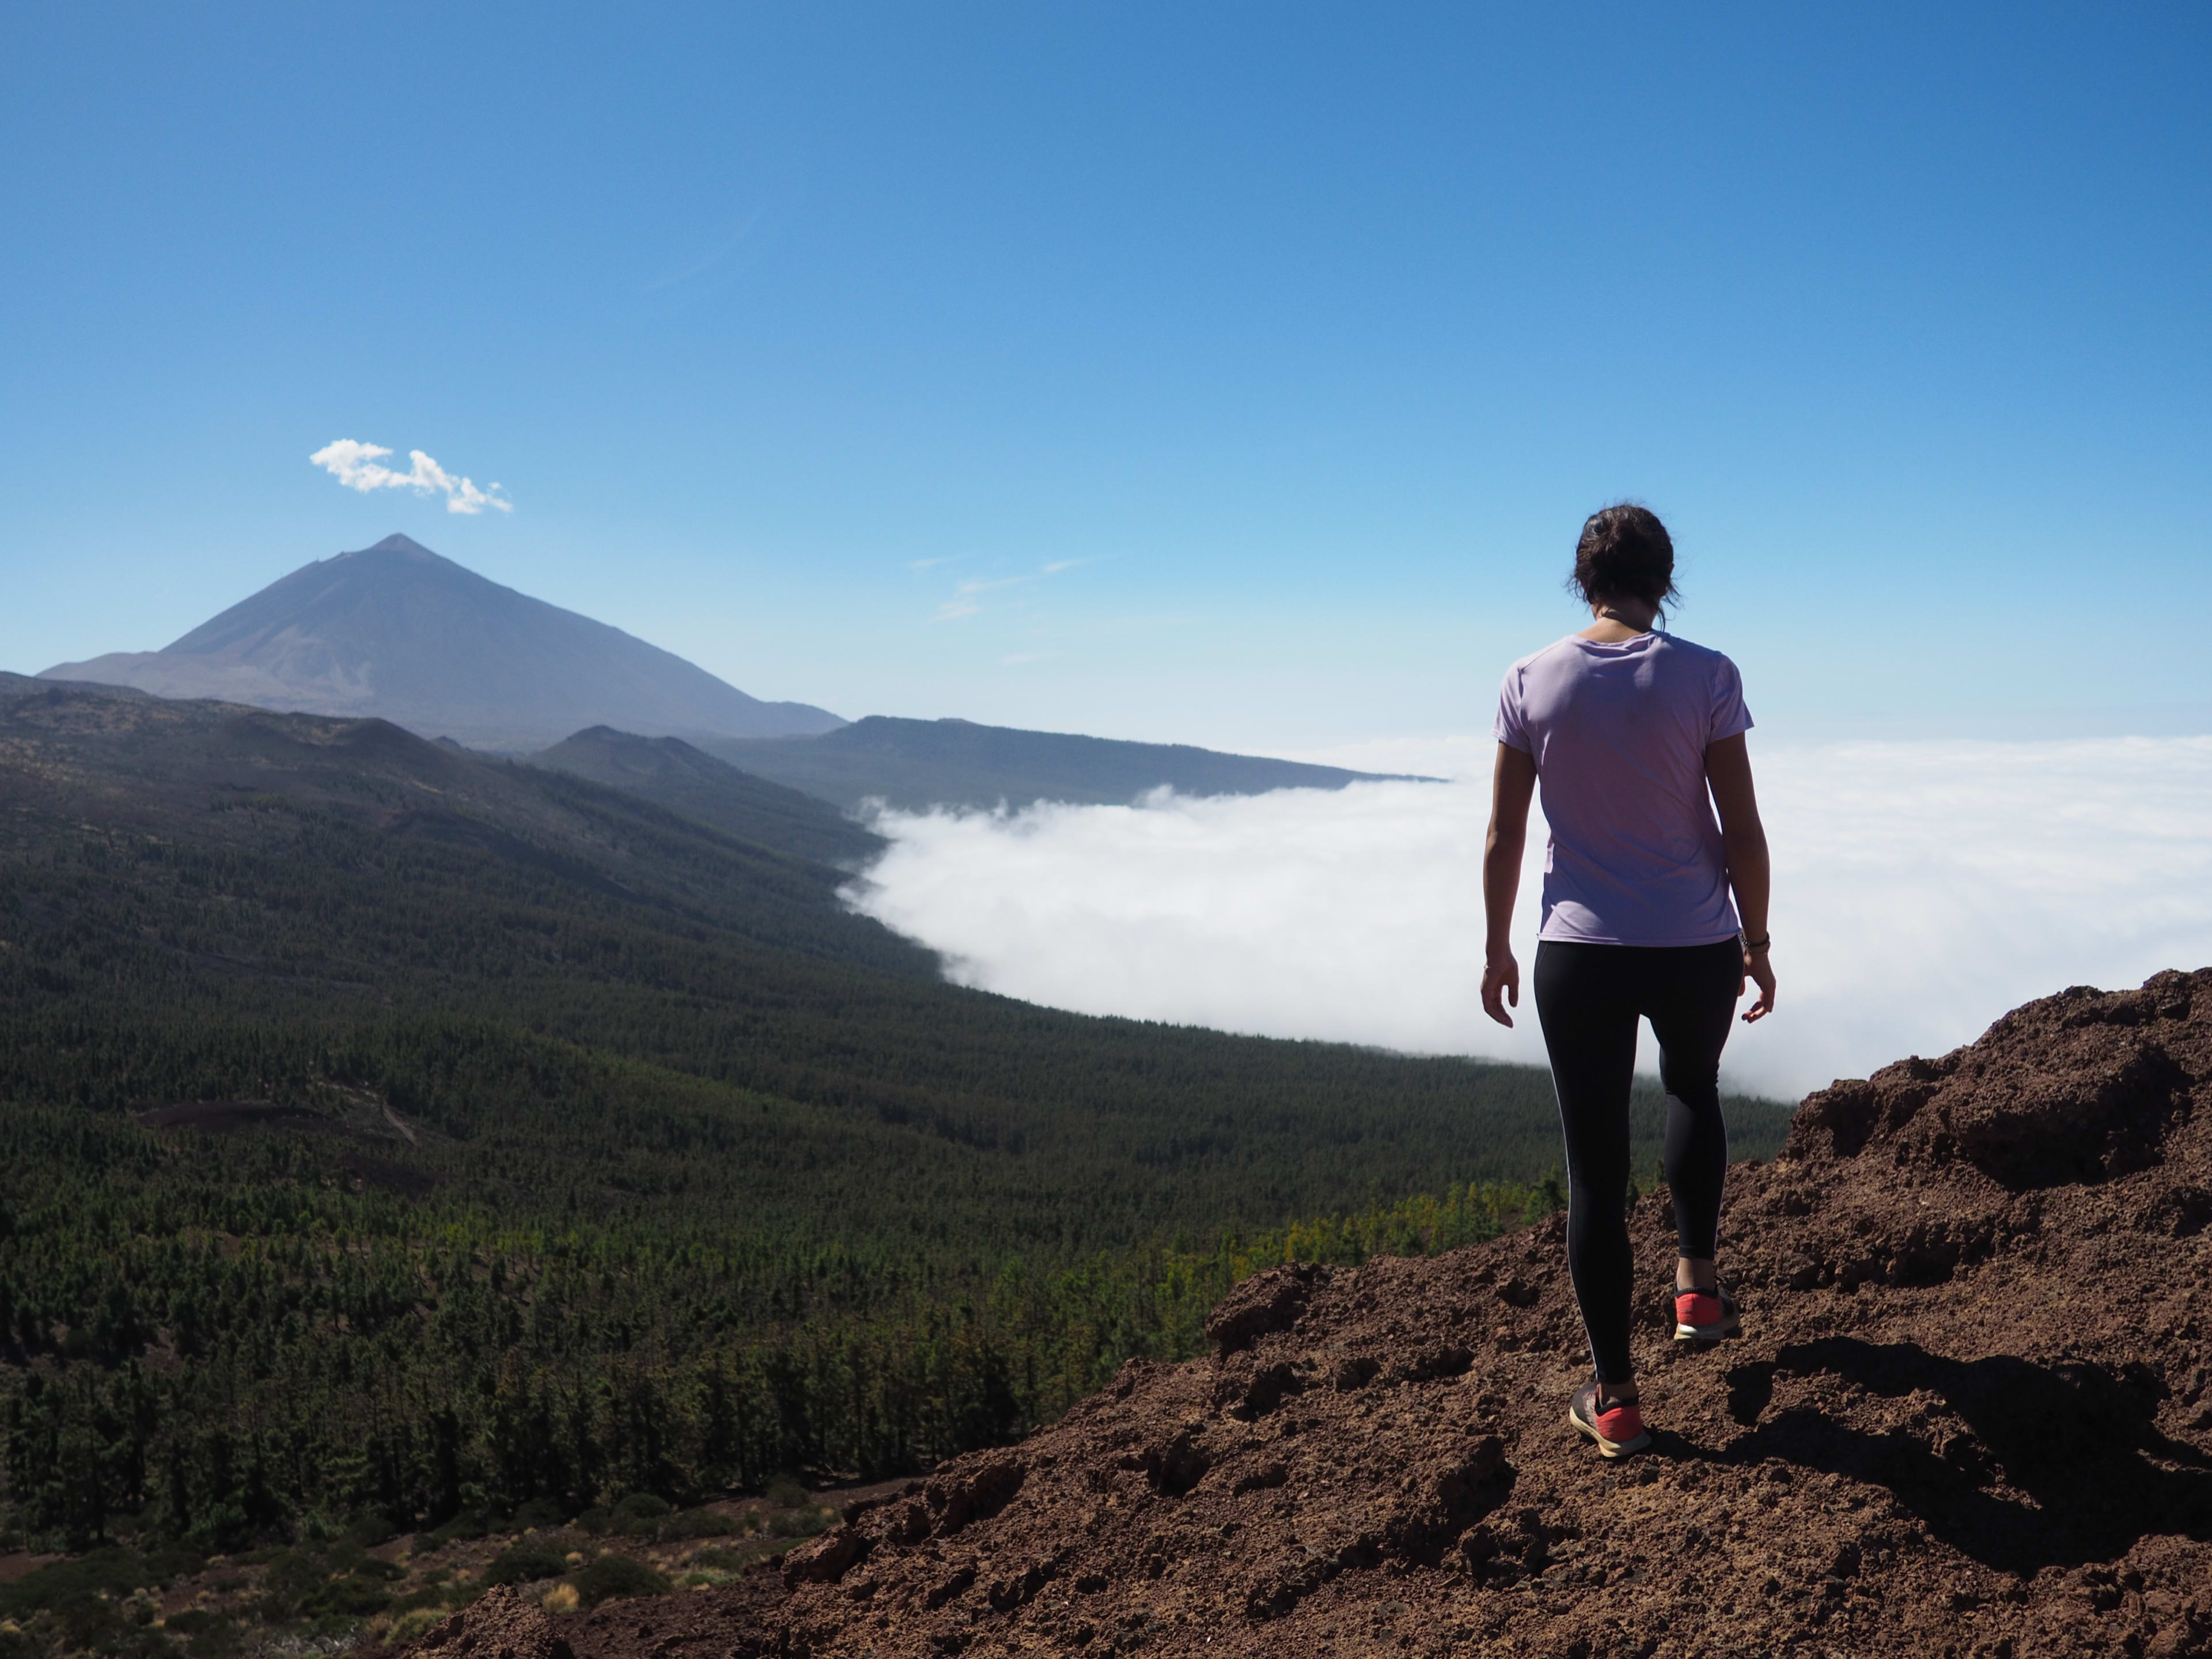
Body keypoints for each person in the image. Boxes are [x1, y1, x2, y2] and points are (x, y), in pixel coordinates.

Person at [1479, 503, 1775, 1459]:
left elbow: (1505, 834)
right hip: (1694, 940)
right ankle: (1697, 1290)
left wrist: (1497, 948)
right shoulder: (1708, 675)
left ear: (1584, 579)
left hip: (1580, 951)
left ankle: (1616, 1402)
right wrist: (1756, 938)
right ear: (1666, 579)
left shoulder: (1531, 679)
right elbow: (1743, 828)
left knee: (1594, 1173)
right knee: (1693, 1086)